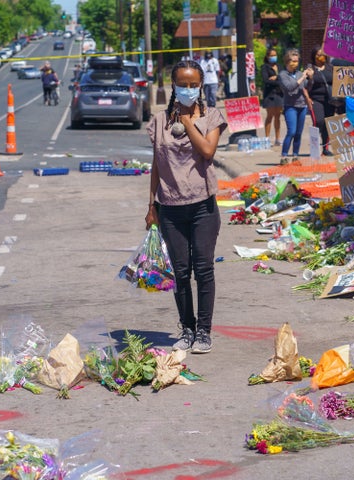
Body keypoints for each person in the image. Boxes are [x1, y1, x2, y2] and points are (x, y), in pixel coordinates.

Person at [145, 60, 227, 354]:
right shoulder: (158, 122)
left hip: (203, 207)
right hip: (170, 208)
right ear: (173, 86)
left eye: (194, 85)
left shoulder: (212, 117)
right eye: (183, 84)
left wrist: (188, 121)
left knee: (203, 269)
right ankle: (187, 328)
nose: (189, 90)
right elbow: (157, 164)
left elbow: (207, 151)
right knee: (180, 271)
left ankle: (204, 331)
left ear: (201, 86)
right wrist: (151, 205)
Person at [278, 49, 313, 163]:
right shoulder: (283, 75)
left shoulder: (298, 73)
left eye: (297, 61)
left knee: (298, 133)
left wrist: (310, 78)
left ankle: (295, 155)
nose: (295, 63)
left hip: (302, 106)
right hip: (290, 106)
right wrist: (302, 77)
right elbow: (290, 87)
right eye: (293, 61)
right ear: (287, 61)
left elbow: (306, 87)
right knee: (291, 131)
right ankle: (284, 156)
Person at [304, 46, 335, 156]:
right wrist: (307, 98)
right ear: (314, 56)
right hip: (316, 99)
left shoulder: (330, 68)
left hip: (330, 100)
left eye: (323, 54)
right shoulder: (310, 68)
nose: (321, 57)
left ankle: (325, 148)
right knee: (318, 121)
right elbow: (304, 86)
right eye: (318, 55)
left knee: (327, 124)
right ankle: (314, 146)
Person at [261, 48, 284, 146]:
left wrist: (276, 78)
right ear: (267, 56)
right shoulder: (265, 67)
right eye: (271, 55)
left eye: (275, 55)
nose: (274, 57)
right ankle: (266, 138)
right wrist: (276, 81)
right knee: (269, 116)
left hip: (279, 94)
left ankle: (278, 138)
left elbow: (283, 78)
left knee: (278, 116)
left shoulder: (280, 66)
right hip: (270, 95)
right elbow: (266, 81)